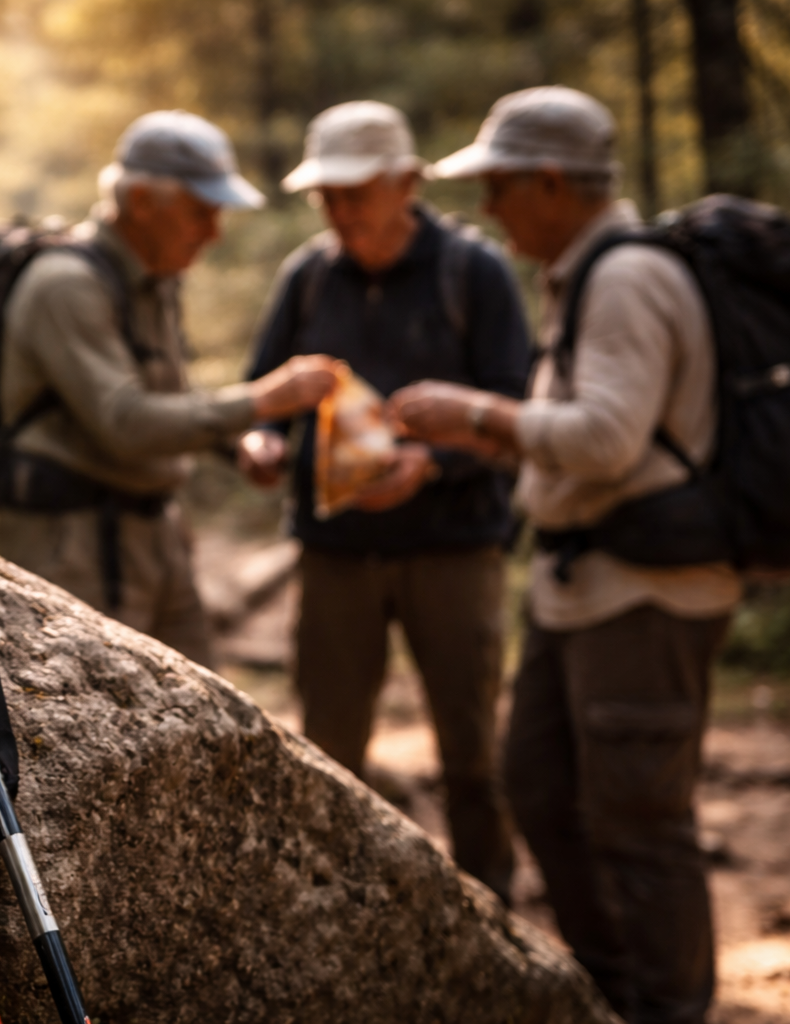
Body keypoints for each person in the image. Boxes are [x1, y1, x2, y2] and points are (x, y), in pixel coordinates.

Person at [393, 86, 742, 1024]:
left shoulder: (624, 277)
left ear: (553, 182)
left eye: (501, 186)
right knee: (543, 787)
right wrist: (485, 437)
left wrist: (476, 413)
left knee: (639, 820)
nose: (489, 209)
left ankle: (667, 1006)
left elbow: (606, 440)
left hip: (646, 592)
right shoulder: (583, 273)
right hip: (585, 587)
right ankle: (609, 990)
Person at [237, 100, 531, 903]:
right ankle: (340, 908)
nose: (338, 212)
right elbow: (264, 396)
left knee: (471, 750)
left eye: (353, 193)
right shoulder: (308, 274)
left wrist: (429, 464)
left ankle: (491, 907)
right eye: (325, 197)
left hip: (454, 545)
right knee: (330, 745)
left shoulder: (474, 272)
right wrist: (260, 442)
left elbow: (516, 408)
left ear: (406, 183)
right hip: (337, 553)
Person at [0, 110, 337, 666]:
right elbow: (126, 424)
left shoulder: (155, 282)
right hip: (74, 547)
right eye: (202, 211)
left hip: (158, 538)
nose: (214, 231)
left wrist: (237, 444)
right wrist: (265, 400)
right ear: (142, 202)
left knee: (196, 707)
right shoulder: (65, 285)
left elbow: (170, 396)